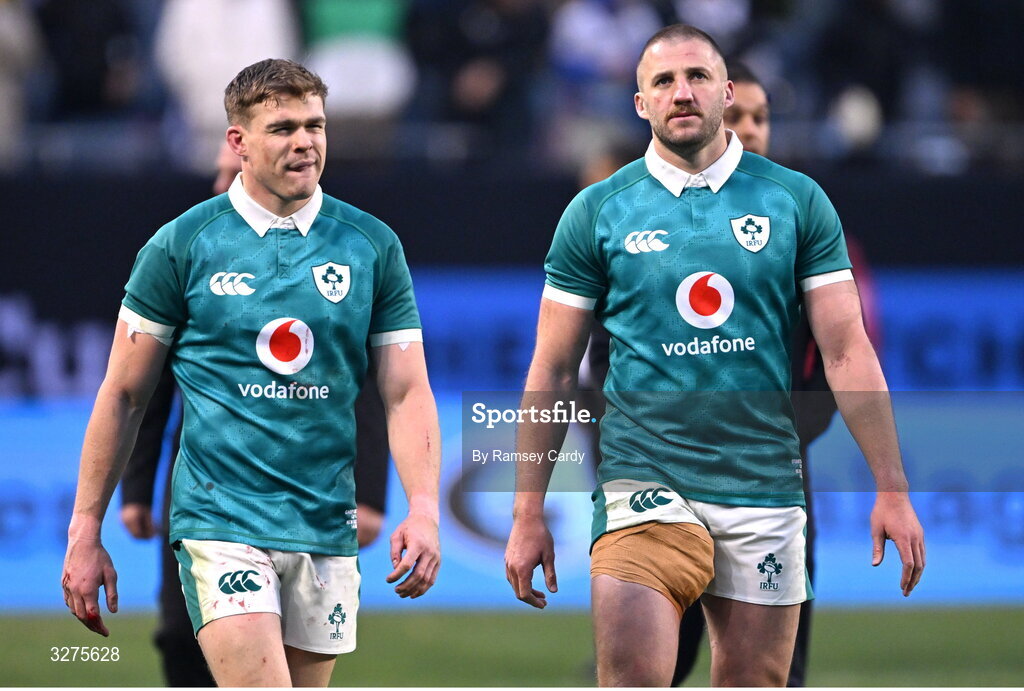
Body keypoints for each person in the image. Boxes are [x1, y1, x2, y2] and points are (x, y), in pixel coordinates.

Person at [504, 24, 924, 687]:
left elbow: (848, 352)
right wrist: (528, 512)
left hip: (764, 488)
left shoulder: (797, 201)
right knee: (634, 677)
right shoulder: (595, 213)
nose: (681, 92)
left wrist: (892, 487)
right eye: (663, 81)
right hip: (643, 484)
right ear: (639, 103)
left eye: (697, 76)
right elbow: (553, 371)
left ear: (726, 93)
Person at [62, 58, 441, 687]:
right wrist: (85, 529)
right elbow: (125, 394)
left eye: (315, 126)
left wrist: (423, 508)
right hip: (221, 520)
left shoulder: (372, 245)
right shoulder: (181, 245)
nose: (305, 142)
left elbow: (404, 392)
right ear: (237, 142)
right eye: (283, 127)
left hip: (325, 522)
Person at [119, 361, 392, 686]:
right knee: (181, 634)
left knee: (292, 647)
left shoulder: (341, 308)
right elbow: (148, 375)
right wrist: (137, 485)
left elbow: (361, 369)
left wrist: (371, 491)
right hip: (203, 488)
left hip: (306, 490)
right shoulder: (190, 308)